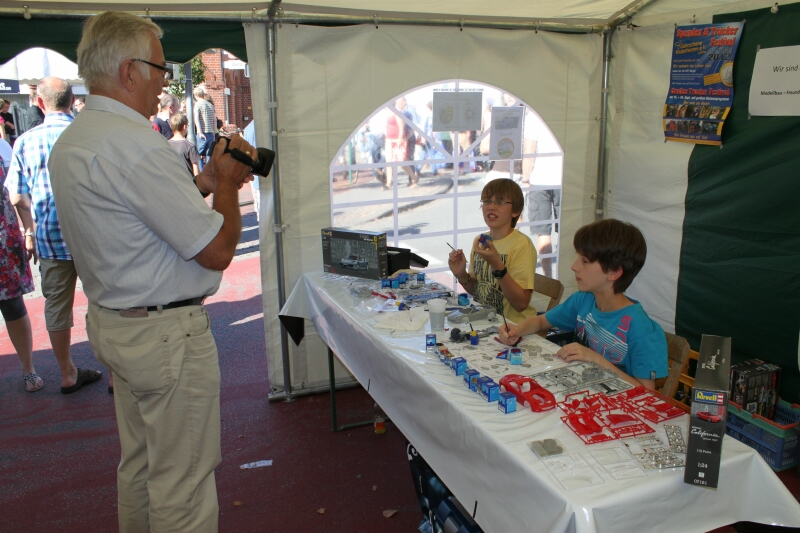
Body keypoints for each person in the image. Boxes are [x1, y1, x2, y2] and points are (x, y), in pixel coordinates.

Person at [49, 11, 254, 533]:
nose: (165, 79)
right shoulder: (138, 145)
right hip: (165, 336)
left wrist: (204, 182)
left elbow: (139, 219)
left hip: (118, 322)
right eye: (160, 68)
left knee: (140, 467)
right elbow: (216, 250)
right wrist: (229, 183)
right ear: (129, 71)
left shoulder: (76, 141)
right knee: (182, 485)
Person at [6, 76, 103, 395]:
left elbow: (18, 197)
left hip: (49, 235)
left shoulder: (25, 141)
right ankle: (116, 374)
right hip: (92, 235)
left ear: (39, 102)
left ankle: (67, 373)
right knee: (103, 304)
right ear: (73, 99)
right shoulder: (89, 135)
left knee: (57, 307)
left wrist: (29, 229)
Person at [498, 218, 668, 390]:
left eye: (585, 261)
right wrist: (517, 330)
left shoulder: (642, 329)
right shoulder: (584, 299)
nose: (574, 266)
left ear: (614, 272)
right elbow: (541, 321)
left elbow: (648, 394)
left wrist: (596, 359)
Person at [448, 178, 537, 324]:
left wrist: (497, 266)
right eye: (487, 201)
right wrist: (461, 274)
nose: (491, 207)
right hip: (485, 321)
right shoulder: (481, 240)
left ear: (515, 211)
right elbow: (478, 291)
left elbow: (521, 304)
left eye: (500, 202)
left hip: (515, 327)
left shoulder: (521, 245)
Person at [0, 154, 39, 391]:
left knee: (13, 305)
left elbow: (17, 193)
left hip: (3, 240)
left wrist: (29, 231)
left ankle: (28, 368)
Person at [384, 97, 418, 189]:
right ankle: (388, 183)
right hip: (389, 139)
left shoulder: (397, 113)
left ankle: (413, 177)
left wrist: (400, 140)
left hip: (397, 140)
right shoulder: (388, 113)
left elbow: (401, 127)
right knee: (389, 162)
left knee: (402, 163)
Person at [193, 87, 216, 170]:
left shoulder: (198, 104)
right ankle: (209, 172)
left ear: (196, 95)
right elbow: (214, 120)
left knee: (198, 154)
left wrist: (200, 132)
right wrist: (213, 132)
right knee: (209, 154)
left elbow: (197, 119)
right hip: (211, 133)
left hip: (202, 133)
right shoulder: (210, 105)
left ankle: (200, 172)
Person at [242, 120, 260, 221]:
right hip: (269, 174)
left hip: (256, 176)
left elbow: (246, 154)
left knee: (261, 210)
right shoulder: (267, 126)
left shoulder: (248, 129)